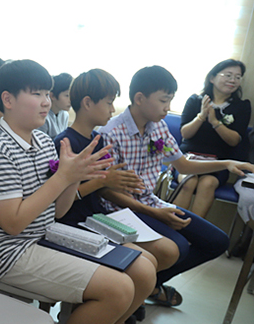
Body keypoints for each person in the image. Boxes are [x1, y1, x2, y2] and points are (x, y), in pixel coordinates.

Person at [0, 60, 157, 324]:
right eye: (36, 93)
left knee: (144, 271)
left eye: (47, 94)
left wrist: (73, 178)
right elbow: (12, 223)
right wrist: (63, 177)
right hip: (8, 253)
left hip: (42, 235)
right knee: (119, 290)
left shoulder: (41, 140)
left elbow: (57, 211)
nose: (45, 102)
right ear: (7, 99)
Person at [98, 66, 252, 306]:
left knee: (217, 242)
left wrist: (228, 163)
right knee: (177, 247)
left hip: (149, 202)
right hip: (121, 210)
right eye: (163, 101)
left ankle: (149, 285)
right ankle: (143, 288)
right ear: (139, 98)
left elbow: (183, 165)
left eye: (170, 101)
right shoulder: (111, 133)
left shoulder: (157, 126)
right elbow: (106, 190)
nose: (167, 108)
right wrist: (156, 213)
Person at [54, 69, 180, 324]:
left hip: (97, 217)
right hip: (74, 221)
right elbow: (64, 201)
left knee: (158, 258)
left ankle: (110, 322)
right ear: (88, 103)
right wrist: (104, 181)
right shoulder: (65, 142)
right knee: (145, 267)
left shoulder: (97, 141)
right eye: (109, 102)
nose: (113, 109)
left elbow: (104, 183)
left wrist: (113, 181)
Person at [174, 60, 250, 218]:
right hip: (188, 158)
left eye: (237, 77)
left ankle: (193, 233)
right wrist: (201, 117)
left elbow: (234, 140)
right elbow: (185, 134)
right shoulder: (195, 101)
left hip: (218, 162)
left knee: (208, 183)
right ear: (212, 78)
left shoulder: (242, 106)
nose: (232, 80)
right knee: (189, 181)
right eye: (228, 75)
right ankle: (171, 228)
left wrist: (215, 122)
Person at [37, 72, 72, 138]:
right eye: (67, 95)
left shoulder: (65, 114)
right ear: (52, 96)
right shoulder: (43, 116)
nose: (71, 100)